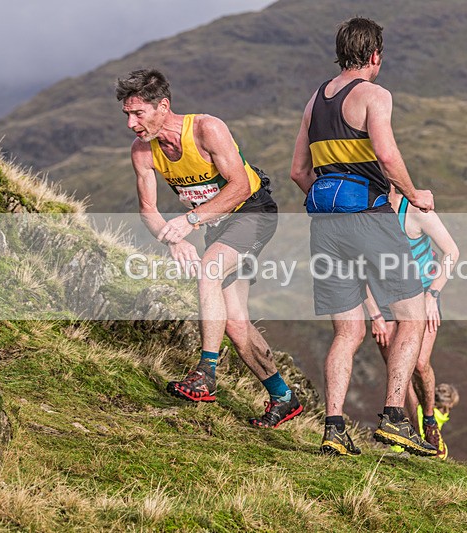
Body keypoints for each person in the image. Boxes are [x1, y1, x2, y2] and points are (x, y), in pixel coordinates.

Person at [116, 69, 302, 428]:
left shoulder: (206, 129)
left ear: (163, 106)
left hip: (252, 212)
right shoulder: (143, 150)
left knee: (209, 270)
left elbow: (239, 186)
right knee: (234, 321)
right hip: (214, 224)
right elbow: (148, 211)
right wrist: (173, 238)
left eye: (138, 113)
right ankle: (284, 396)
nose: (131, 124)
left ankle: (205, 375)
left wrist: (190, 221)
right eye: (127, 114)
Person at [290, 17, 436, 456]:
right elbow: (388, 157)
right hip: (371, 217)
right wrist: (415, 196)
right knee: (410, 315)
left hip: (325, 227)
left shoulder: (314, 100)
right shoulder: (375, 95)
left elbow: (299, 172)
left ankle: (334, 427)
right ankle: (395, 417)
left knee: (347, 332)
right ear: (375, 55)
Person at [364, 187, 459, 458]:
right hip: (383, 298)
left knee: (418, 364)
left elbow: (452, 252)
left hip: (422, 295)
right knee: (398, 371)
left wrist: (433, 294)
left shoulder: (415, 210)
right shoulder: (366, 210)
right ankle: (415, 435)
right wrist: (375, 315)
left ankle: (429, 420)